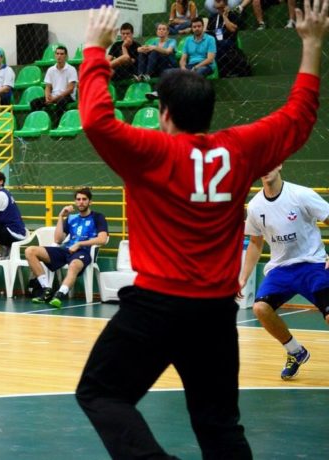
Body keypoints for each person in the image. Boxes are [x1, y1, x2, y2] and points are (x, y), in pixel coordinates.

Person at [74, 3, 326, 458]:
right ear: (209, 113)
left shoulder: (149, 151)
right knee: (220, 428)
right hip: (213, 313)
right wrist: (311, 44)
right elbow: (300, 114)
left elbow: (95, 118)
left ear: (164, 113)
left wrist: (95, 50)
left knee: (102, 393)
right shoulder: (241, 148)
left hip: (155, 307)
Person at [239, 165, 329, 380]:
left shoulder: (301, 195)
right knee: (260, 308)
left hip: (312, 265)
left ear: (279, 165)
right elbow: (254, 243)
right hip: (281, 269)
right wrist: (243, 276)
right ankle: (296, 351)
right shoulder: (255, 206)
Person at [26, 188, 109, 308]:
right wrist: (61, 217)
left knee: (74, 265)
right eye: (78, 199)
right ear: (75, 202)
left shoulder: (98, 217)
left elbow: (102, 239)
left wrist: (80, 244)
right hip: (66, 250)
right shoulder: (71, 218)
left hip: (84, 252)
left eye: (84, 199)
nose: (81, 202)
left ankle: (59, 295)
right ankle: (46, 289)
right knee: (30, 251)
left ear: (90, 202)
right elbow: (58, 240)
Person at [29, 45, 78, 126]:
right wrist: (47, 97)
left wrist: (55, 98)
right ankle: (37, 124)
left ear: (65, 56)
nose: (59, 56)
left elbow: (70, 89)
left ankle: (57, 126)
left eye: (62, 54)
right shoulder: (51, 70)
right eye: (57, 53)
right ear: (55, 55)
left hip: (67, 96)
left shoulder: (71, 69)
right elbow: (48, 87)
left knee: (61, 102)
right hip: (53, 96)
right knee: (34, 103)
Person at [207, 0, 252, 78]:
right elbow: (208, 33)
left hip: (230, 45)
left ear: (225, 3)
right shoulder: (213, 17)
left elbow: (233, 29)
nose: (216, 1)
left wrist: (225, 17)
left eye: (219, 1)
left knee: (224, 44)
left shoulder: (233, 15)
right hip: (215, 45)